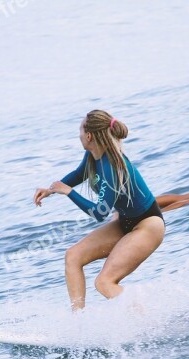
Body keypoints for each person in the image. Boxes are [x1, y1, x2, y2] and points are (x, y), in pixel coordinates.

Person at [34, 110, 165, 310]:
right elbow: (79, 174)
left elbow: (100, 212)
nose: (78, 134)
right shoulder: (93, 155)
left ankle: (146, 323)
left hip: (147, 225)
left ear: (89, 136)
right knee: (73, 256)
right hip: (125, 222)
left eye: (80, 129)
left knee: (104, 282)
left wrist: (69, 192)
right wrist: (51, 190)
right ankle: (78, 324)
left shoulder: (112, 167)